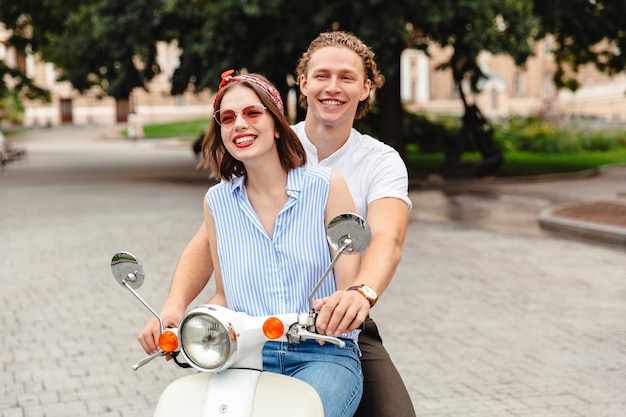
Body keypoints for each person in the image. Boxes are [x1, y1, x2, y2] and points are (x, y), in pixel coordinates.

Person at [139, 31, 415, 417]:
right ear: (303, 83)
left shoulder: (377, 162)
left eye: (346, 77)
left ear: (366, 87)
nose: (332, 87)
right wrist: (177, 308)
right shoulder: (260, 150)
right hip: (255, 338)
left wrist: (359, 293)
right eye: (321, 75)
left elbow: (387, 237)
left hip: (335, 318)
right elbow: (212, 241)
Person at [200, 71, 363, 417]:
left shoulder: (327, 186)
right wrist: (189, 321)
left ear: (276, 125)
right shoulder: (217, 202)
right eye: (227, 119)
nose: (239, 124)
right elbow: (224, 295)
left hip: (323, 352)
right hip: (245, 356)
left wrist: (342, 305)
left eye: (252, 113)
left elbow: (350, 285)